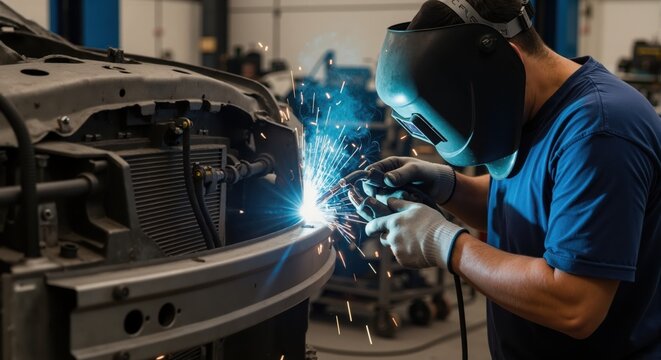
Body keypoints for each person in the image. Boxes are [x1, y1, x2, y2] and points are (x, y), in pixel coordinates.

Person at [362, 0, 661, 358]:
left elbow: (576, 304)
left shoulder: (600, 130)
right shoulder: (533, 109)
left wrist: (444, 243)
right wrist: (447, 186)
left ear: (507, 61)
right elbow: (533, 205)